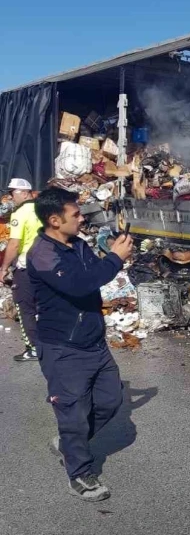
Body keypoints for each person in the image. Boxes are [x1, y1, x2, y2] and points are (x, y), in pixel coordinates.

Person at [26, 187, 135, 501]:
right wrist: (115, 257)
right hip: (63, 347)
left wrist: (113, 255)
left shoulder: (78, 244)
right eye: (75, 215)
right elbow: (78, 284)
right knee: (72, 414)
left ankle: (69, 442)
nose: (80, 218)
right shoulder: (42, 253)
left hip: (94, 343)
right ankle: (80, 473)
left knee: (111, 401)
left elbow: (93, 275)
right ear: (54, 220)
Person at [0, 178, 42, 361]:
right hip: (48, 265)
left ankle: (33, 348)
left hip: (27, 267)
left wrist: (4, 268)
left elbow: (15, 244)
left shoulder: (20, 213)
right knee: (45, 306)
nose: (10, 197)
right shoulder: (43, 209)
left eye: (13, 193)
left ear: (25, 193)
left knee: (25, 307)